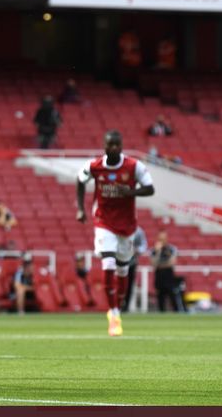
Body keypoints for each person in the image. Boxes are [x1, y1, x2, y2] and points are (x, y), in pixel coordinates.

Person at [77, 130, 155, 336]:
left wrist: (131, 192)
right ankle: (112, 313)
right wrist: (80, 208)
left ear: (121, 146)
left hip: (127, 226)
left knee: (123, 271)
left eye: (117, 145)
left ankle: (117, 309)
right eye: (110, 145)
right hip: (103, 221)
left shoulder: (134, 166)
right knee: (108, 263)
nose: (113, 148)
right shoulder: (94, 166)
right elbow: (79, 180)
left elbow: (150, 188)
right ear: (104, 145)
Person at [150, 230, 185, 312]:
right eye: (160, 239)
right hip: (159, 276)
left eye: (163, 238)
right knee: (160, 299)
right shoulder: (154, 250)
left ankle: (177, 314)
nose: (162, 241)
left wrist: (160, 264)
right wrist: (158, 252)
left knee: (173, 297)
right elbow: (154, 264)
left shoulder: (172, 249)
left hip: (169, 275)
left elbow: (172, 263)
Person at [122, 226, 147, 312]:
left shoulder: (138, 231)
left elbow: (143, 245)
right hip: (118, 261)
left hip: (131, 262)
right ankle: (117, 304)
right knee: (119, 283)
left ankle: (126, 306)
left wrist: (137, 250)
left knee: (129, 285)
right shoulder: (117, 227)